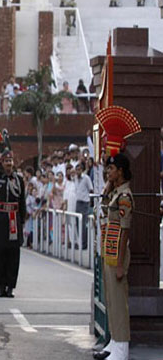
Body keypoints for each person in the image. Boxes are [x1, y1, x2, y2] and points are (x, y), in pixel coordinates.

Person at [94, 154, 133, 360]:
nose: (108, 172)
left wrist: (119, 264)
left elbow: (125, 231)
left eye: (112, 169)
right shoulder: (115, 193)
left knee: (119, 303)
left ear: (121, 171)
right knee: (111, 300)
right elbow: (102, 209)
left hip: (117, 253)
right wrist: (107, 188)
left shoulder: (125, 196)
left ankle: (122, 347)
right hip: (110, 251)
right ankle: (115, 342)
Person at [0, 149, 26, 298]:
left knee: (13, 253)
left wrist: (22, 220)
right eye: (6, 161)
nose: (9, 164)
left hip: (14, 218)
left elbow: (22, 201)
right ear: (1, 163)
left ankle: (10, 286)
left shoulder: (18, 180)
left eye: (10, 161)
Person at [74, 162, 93, 249]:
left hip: (85, 203)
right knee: (78, 223)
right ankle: (80, 242)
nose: (77, 172)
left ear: (82, 170)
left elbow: (91, 189)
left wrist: (90, 202)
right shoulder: (75, 178)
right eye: (76, 170)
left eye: (79, 170)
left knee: (83, 224)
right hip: (78, 202)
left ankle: (84, 244)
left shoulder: (86, 178)